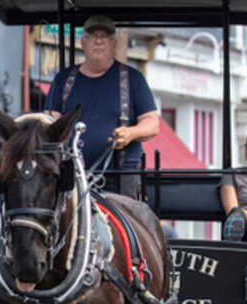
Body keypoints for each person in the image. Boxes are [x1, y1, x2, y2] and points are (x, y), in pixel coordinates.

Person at [44, 14, 160, 199]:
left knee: (126, 225)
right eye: (92, 36)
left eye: (104, 36)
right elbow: (49, 124)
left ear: (113, 44)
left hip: (120, 176)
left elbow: (152, 124)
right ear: (83, 43)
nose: (98, 41)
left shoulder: (133, 79)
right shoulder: (63, 80)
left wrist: (130, 133)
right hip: (70, 174)